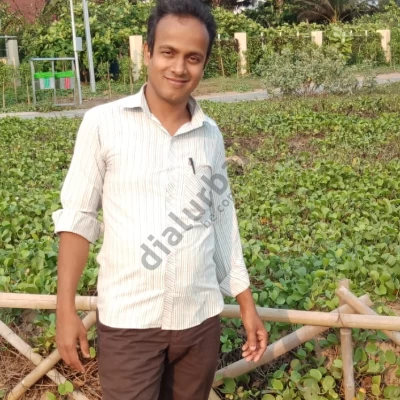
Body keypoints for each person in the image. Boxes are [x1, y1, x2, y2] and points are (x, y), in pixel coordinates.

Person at [52, 0, 268, 399]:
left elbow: (222, 221)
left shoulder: (210, 135)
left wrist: (246, 303)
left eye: (193, 57)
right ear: (148, 52)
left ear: (204, 63)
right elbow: (77, 219)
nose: (179, 68)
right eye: (168, 52)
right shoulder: (103, 124)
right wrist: (65, 309)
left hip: (199, 320)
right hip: (129, 323)